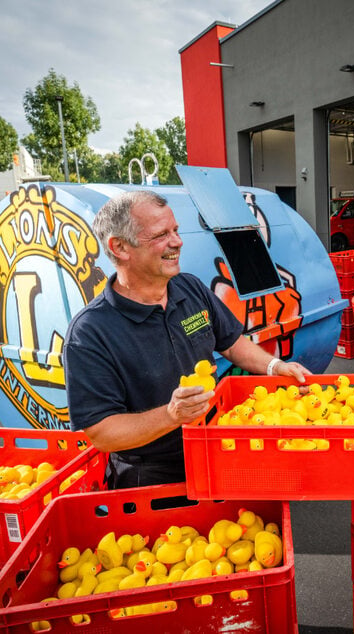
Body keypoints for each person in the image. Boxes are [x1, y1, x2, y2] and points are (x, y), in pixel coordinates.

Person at [63, 190, 310, 489]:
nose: (177, 242)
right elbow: (101, 432)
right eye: (161, 235)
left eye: (176, 231)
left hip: (217, 453)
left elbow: (231, 342)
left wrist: (274, 367)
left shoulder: (189, 287)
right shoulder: (90, 333)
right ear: (120, 247)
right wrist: (171, 416)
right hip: (153, 479)